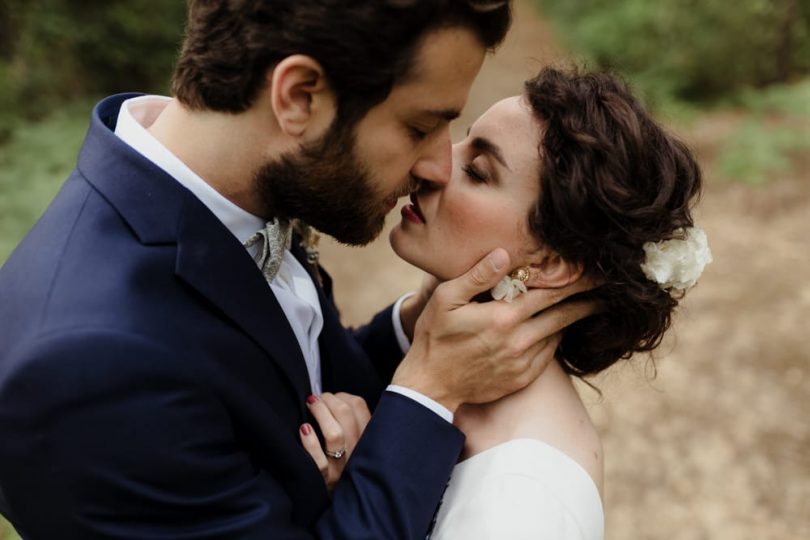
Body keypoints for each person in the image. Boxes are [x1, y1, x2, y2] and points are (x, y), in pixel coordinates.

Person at [0, 2, 600, 539]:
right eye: (419, 127)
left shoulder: (243, 197)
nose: (436, 166)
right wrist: (428, 393)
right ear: (298, 98)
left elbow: (292, 370)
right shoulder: (86, 372)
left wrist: (412, 332)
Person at [384, 67, 707, 538]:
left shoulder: (524, 497)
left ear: (552, 263)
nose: (432, 164)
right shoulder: (443, 381)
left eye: (476, 172)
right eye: (465, 139)